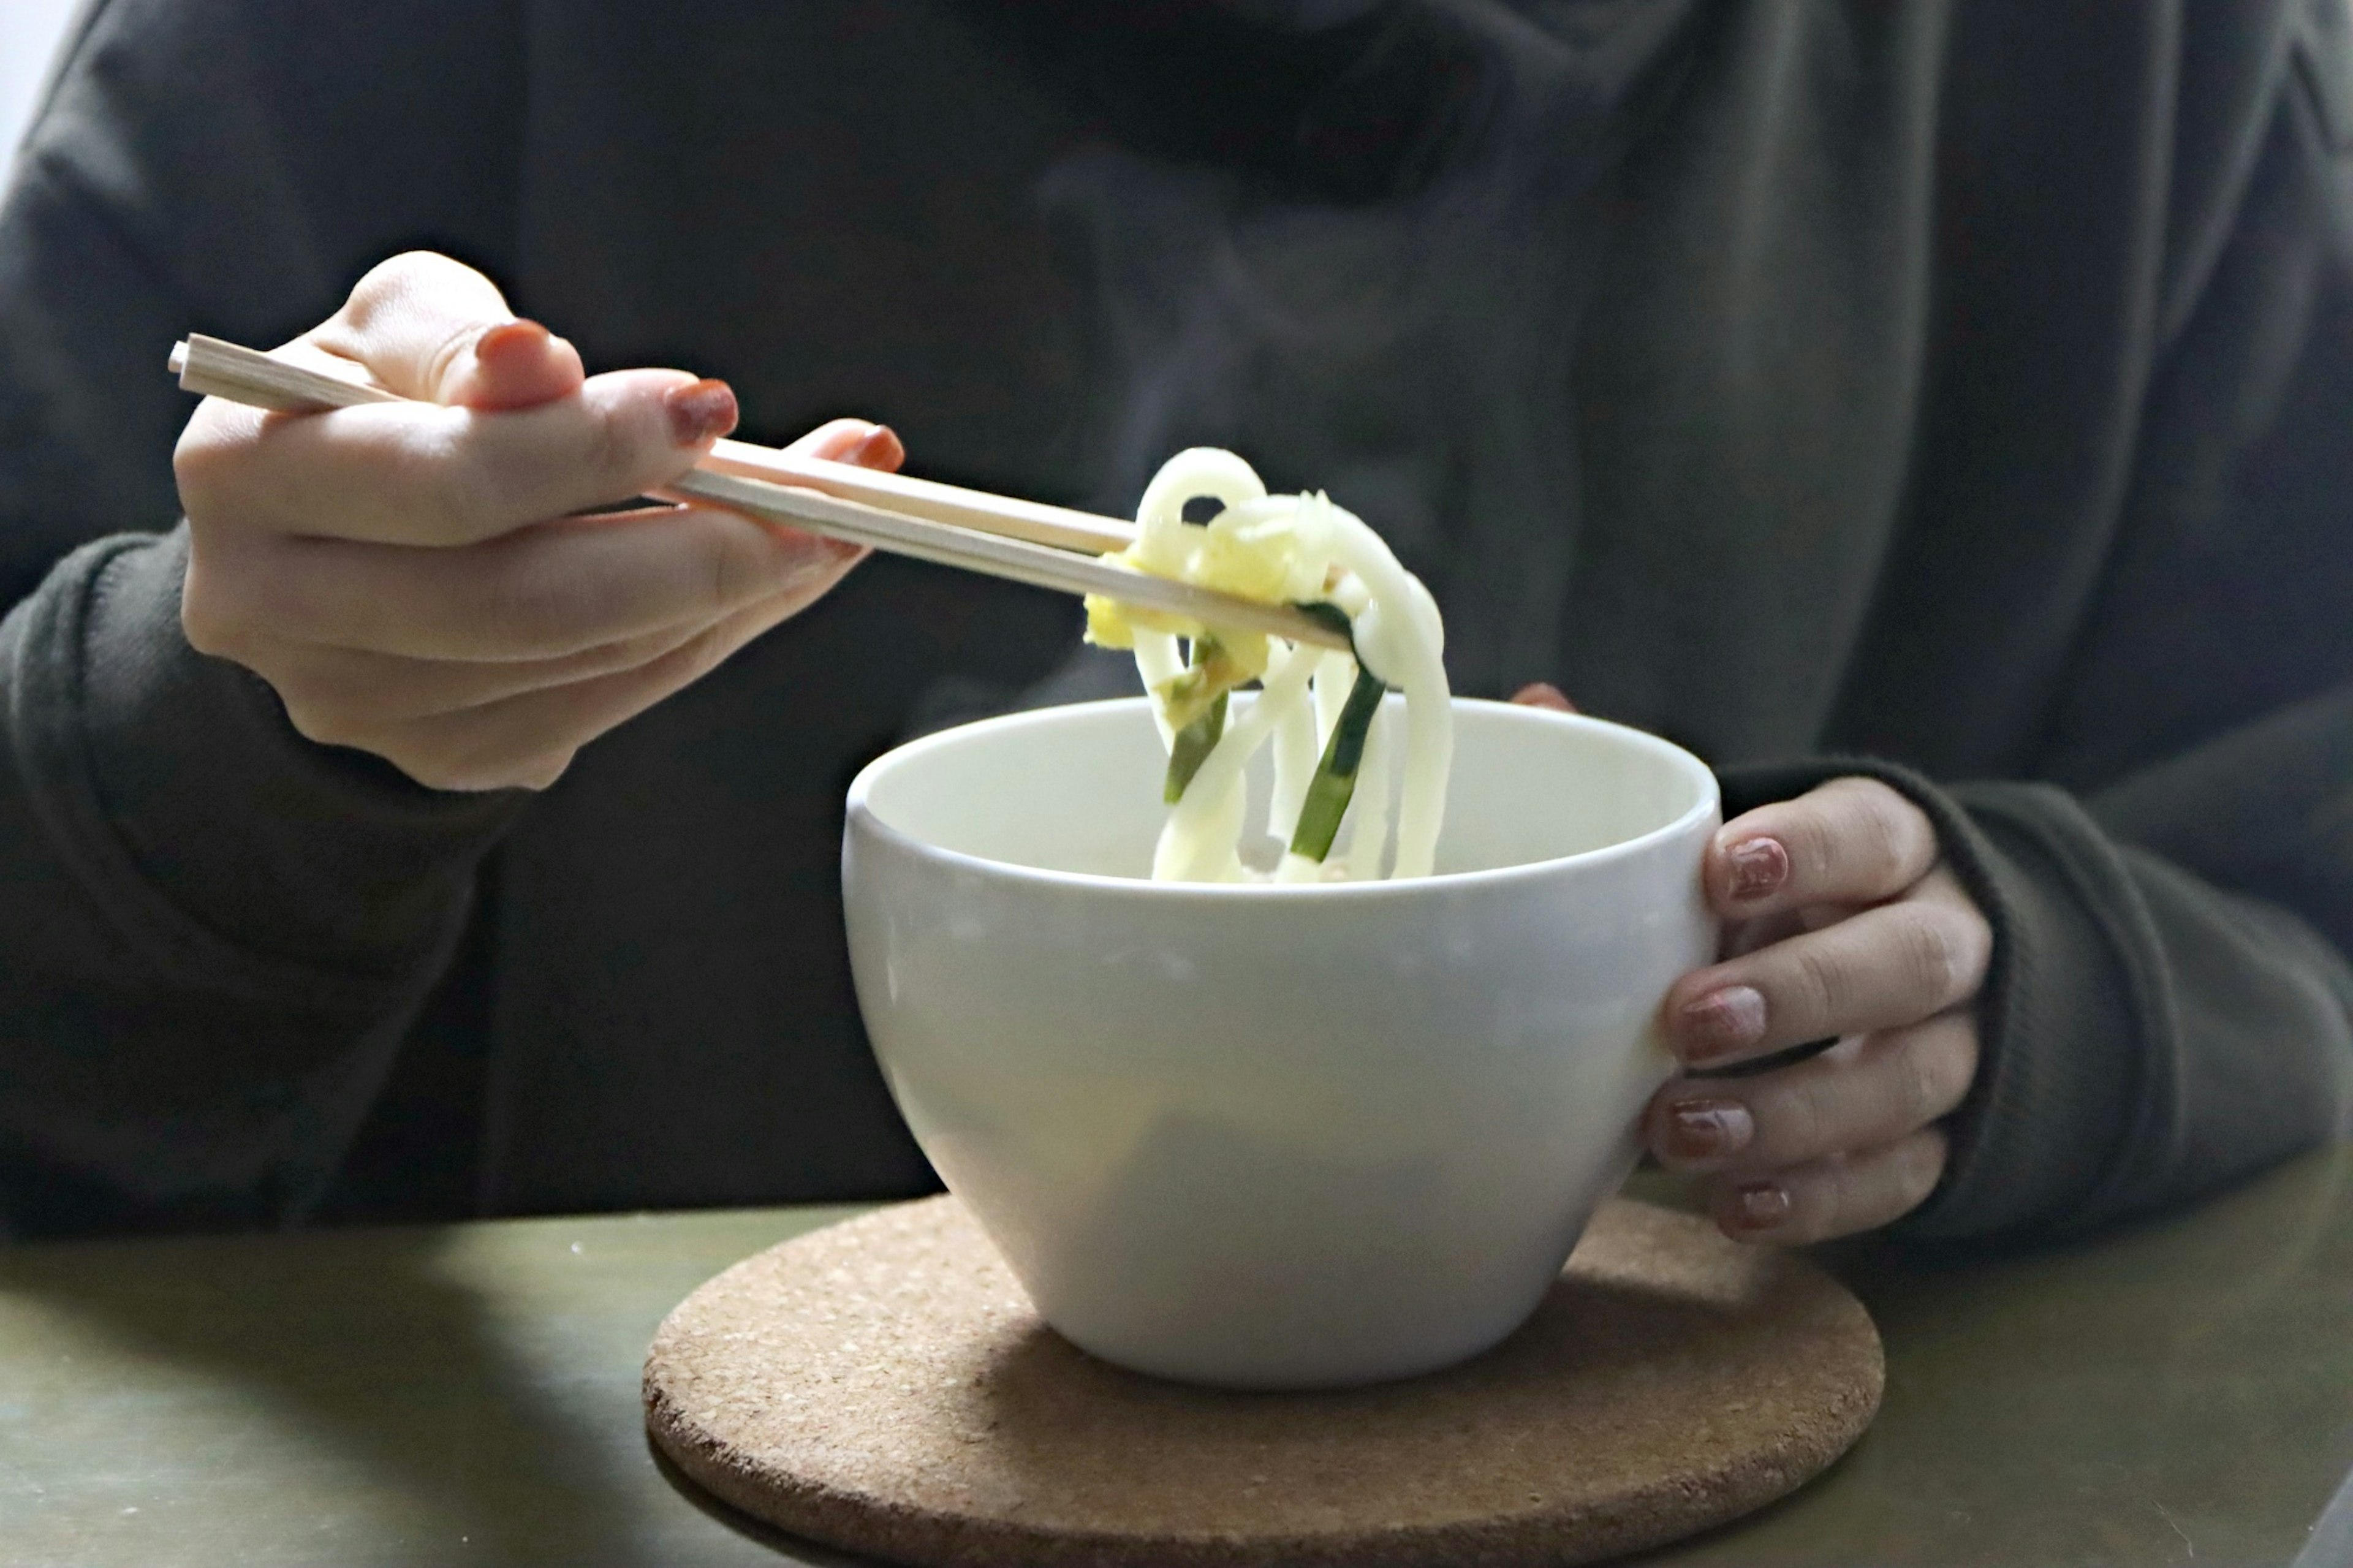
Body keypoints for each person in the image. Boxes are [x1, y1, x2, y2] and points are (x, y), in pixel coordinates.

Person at [0, 0, 2346, 1246]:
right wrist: (254, 743)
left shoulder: (2144, 59)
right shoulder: (343, 47)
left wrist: (2043, 993)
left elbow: (2301, 892)